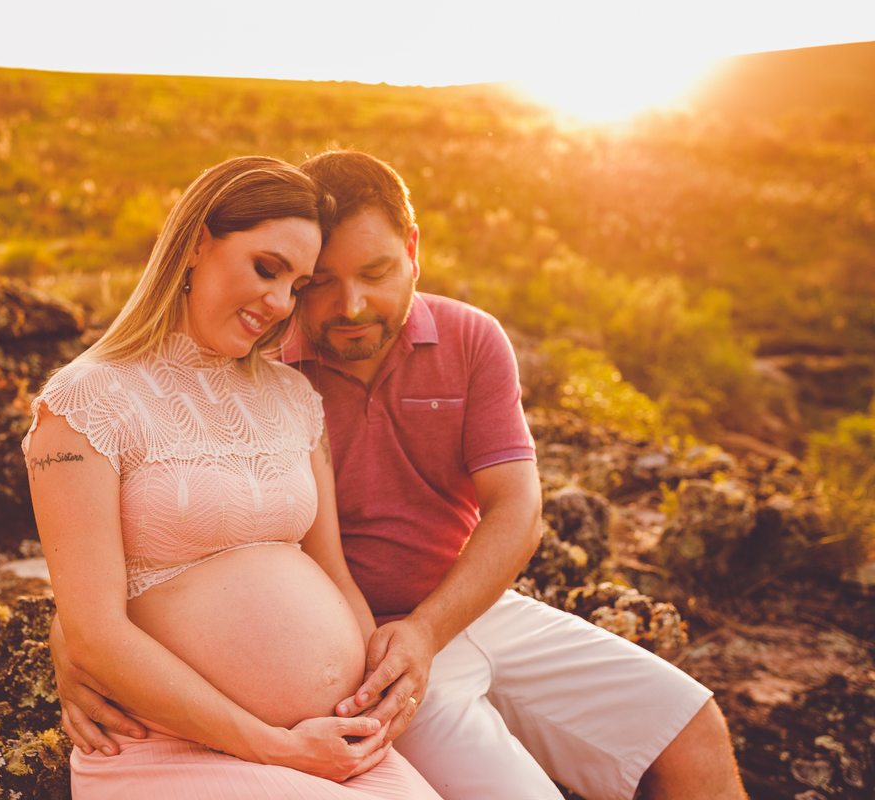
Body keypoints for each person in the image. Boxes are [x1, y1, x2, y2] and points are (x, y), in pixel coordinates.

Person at [51, 151, 749, 800]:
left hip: (459, 610)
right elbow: (143, 534)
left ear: (414, 251)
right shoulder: (263, 353)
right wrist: (74, 637)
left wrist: (425, 631)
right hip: (367, 657)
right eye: (317, 283)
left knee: (693, 730)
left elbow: (517, 510)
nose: (347, 305)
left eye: (376, 273)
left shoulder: (465, 341)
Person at [23, 155, 441, 800]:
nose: (278, 304)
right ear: (196, 243)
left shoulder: (294, 396)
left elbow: (331, 569)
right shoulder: (85, 402)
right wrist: (278, 747)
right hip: (171, 748)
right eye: (265, 268)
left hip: (328, 743)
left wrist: (369, 703)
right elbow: (95, 632)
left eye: (298, 285)